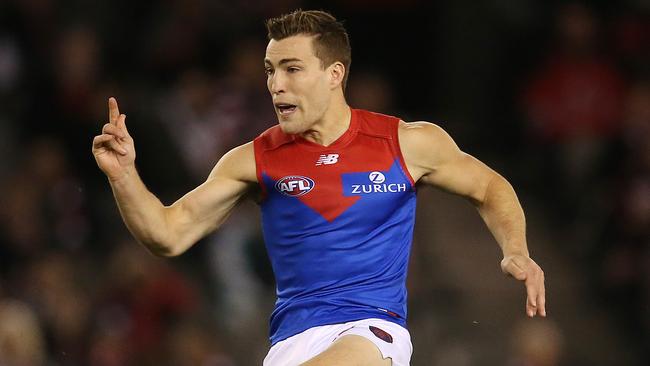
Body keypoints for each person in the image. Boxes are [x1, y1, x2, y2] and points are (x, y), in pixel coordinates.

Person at [92, 9, 546, 366]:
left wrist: (516, 249)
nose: (275, 85)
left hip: (372, 333)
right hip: (290, 345)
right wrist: (124, 175)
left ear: (334, 74)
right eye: (270, 70)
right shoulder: (252, 159)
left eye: (291, 69)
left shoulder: (406, 143)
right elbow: (167, 234)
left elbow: (490, 187)